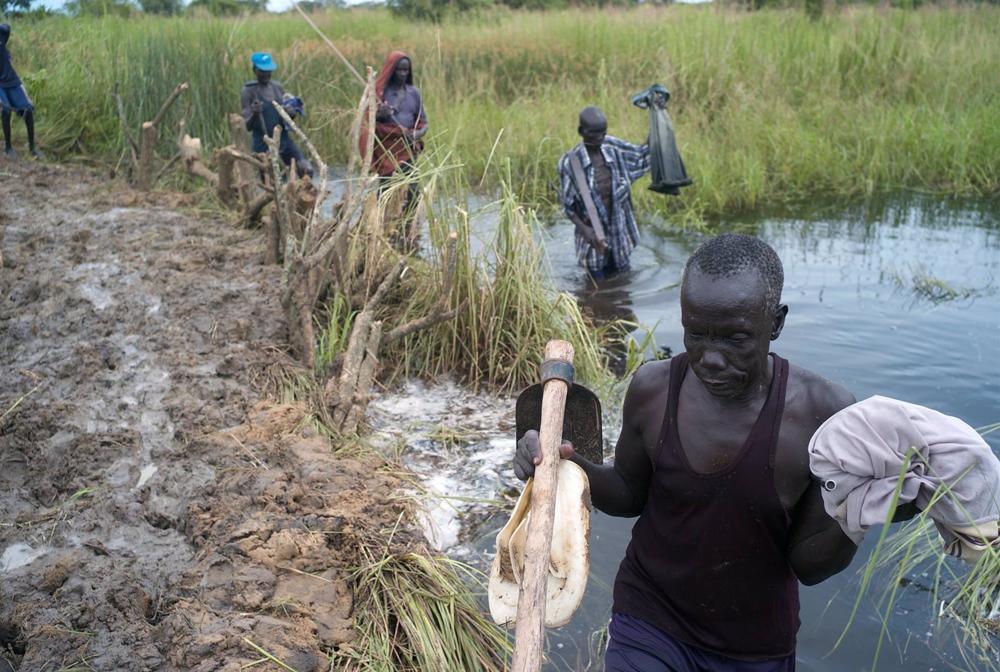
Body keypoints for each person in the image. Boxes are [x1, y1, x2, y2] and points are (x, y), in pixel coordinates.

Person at [514, 233, 862, 671]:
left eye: (736, 338)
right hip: (649, 619)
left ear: (775, 323)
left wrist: (861, 510)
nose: (711, 358)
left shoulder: (823, 414)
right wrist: (561, 464)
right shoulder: (654, 389)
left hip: (754, 645)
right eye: (695, 334)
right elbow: (628, 493)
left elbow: (809, 566)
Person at [558, 106, 650, 280]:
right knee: (595, 288)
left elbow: (642, 156)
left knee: (623, 286)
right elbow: (568, 207)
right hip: (593, 242)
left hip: (620, 236)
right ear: (581, 132)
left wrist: (656, 117)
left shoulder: (614, 148)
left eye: (603, 133)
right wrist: (586, 231)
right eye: (594, 134)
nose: (600, 138)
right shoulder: (570, 163)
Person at [240, 51, 313, 178]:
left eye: (268, 70)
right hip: (263, 144)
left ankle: (304, 188)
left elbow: (286, 118)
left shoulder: (277, 87)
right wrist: (255, 114)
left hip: (283, 140)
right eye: (262, 71)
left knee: (306, 169)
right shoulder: (249, 91)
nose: (266, 74)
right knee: (273, 178)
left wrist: (291, 113)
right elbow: (247, 125)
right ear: (255, 70)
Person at [0, 24, 41, 159]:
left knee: (27, 109)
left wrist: (26, 96)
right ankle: (8, 148)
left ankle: (32, 148)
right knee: (5, 110)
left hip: (13, 83)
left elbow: (6, 27)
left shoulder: (3, 44)